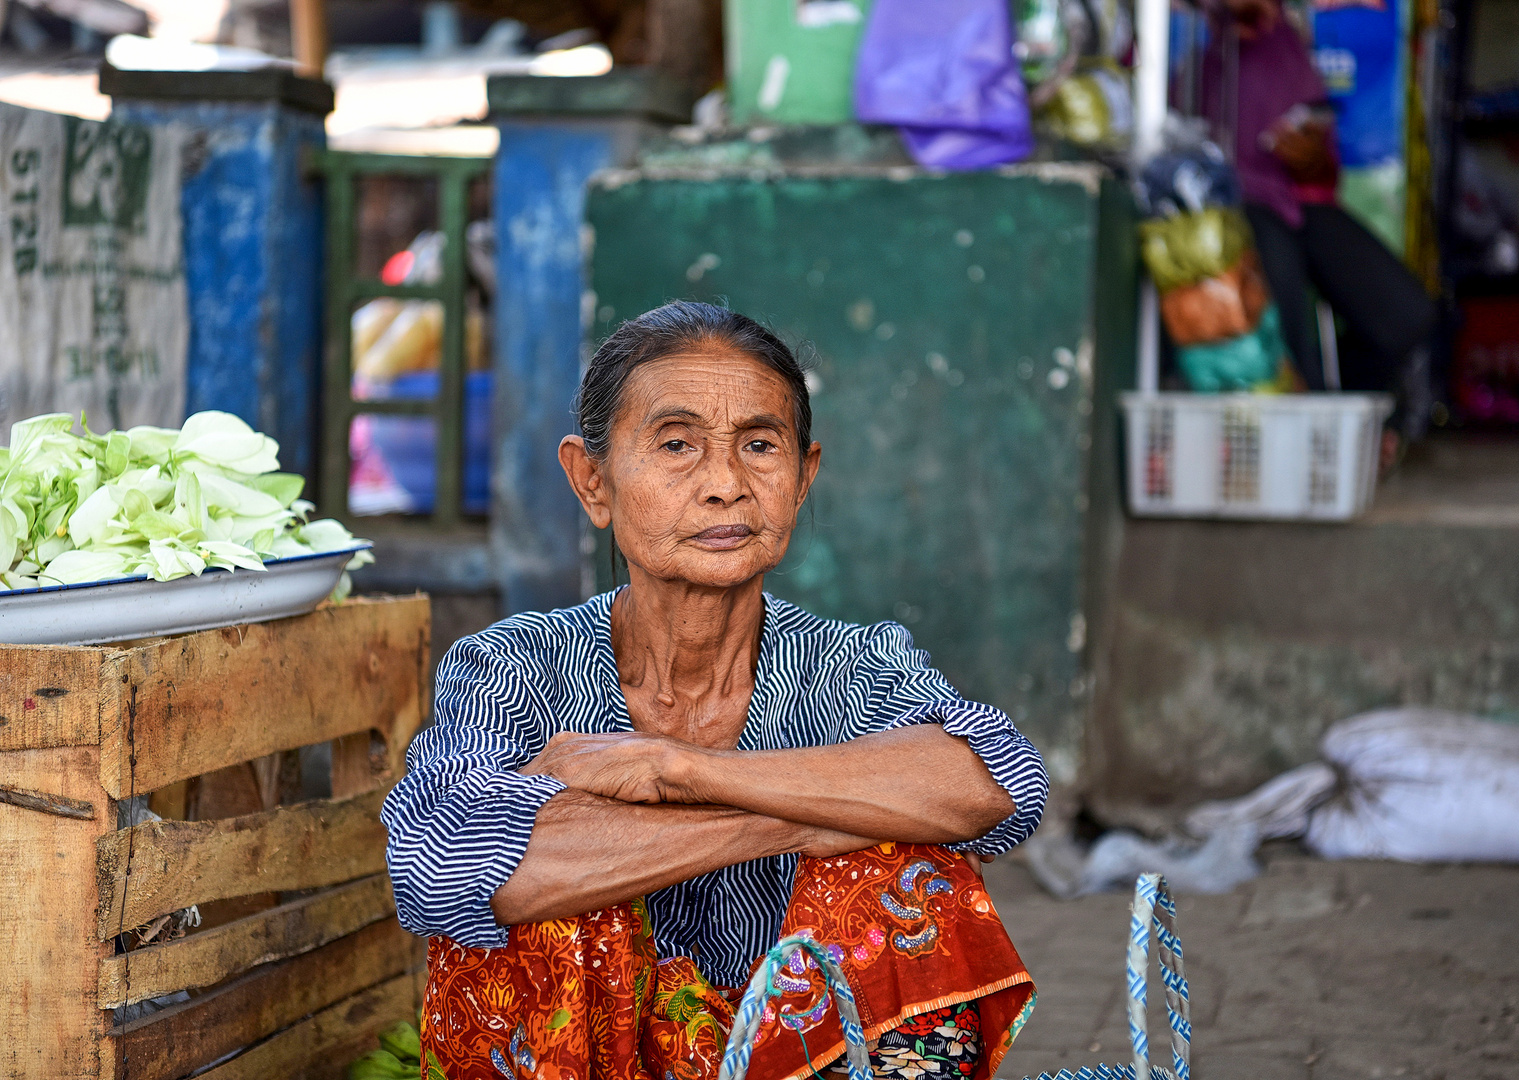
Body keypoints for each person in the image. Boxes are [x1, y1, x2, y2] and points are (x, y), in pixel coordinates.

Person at [382, 301, 1047, 1080]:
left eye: (760, 445)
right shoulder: (514, 667)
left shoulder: (853, 666)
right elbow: (436, 863)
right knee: (535, 906)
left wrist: (678, 770)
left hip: (800, 1058)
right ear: (592, 481)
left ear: (803, 478)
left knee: (906, 868)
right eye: (676, 445)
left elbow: (1000, 781)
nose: (726, 485)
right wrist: (798, 821)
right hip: (590, 1060)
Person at [1204, 0, 1437, 409]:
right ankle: (1307, 412)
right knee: (1278, 274)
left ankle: (1353, 414)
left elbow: (1322, 168)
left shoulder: (1288, 51)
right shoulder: (1199, 60)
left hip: (1297, 203)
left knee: (1406, 314)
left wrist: (1311, 158)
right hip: (1235, 205)